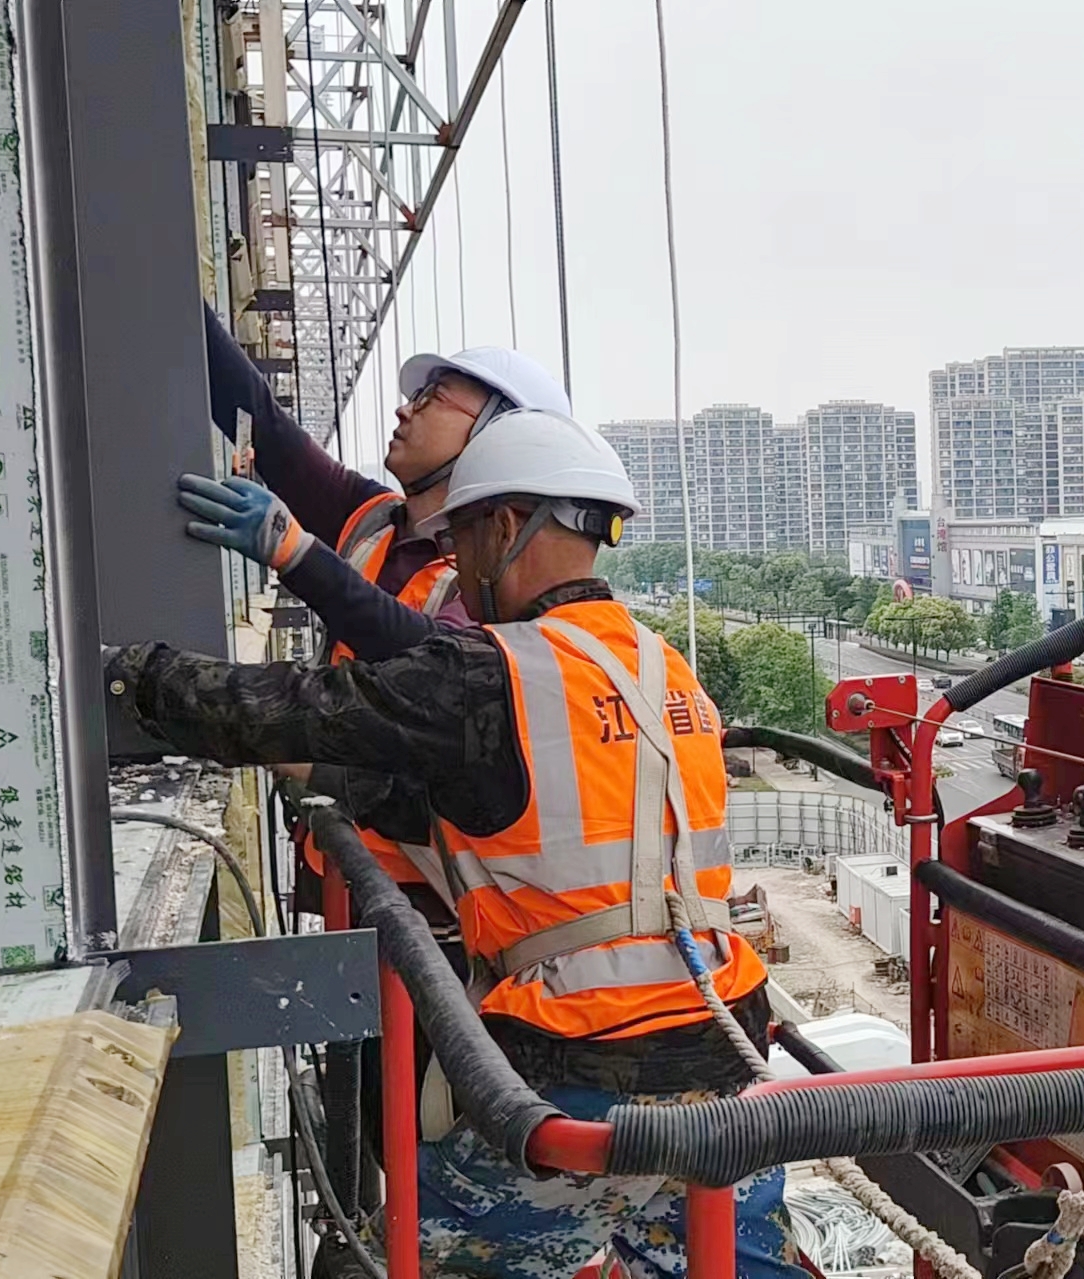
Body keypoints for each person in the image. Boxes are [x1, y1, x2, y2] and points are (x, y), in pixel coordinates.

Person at [105, 409, 799, 1279]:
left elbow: (284, 705)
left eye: (463, 538)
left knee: (390, 1261)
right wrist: (342, 786)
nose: (458, 569)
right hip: (725, 1050)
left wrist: (133, 677)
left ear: (506, 527)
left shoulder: (488, 671)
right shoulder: (666, 667)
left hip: (580, 1068)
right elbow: (520, 807)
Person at [187, 308, 573, 904]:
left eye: (433, 400)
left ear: (495, 438)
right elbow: (262, 420)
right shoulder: (371, 518)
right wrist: (174, 292)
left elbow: (430, 662)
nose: (405, 410)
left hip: (427, 902)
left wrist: (298, 555)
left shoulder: (495, 583)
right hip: (340, 863)